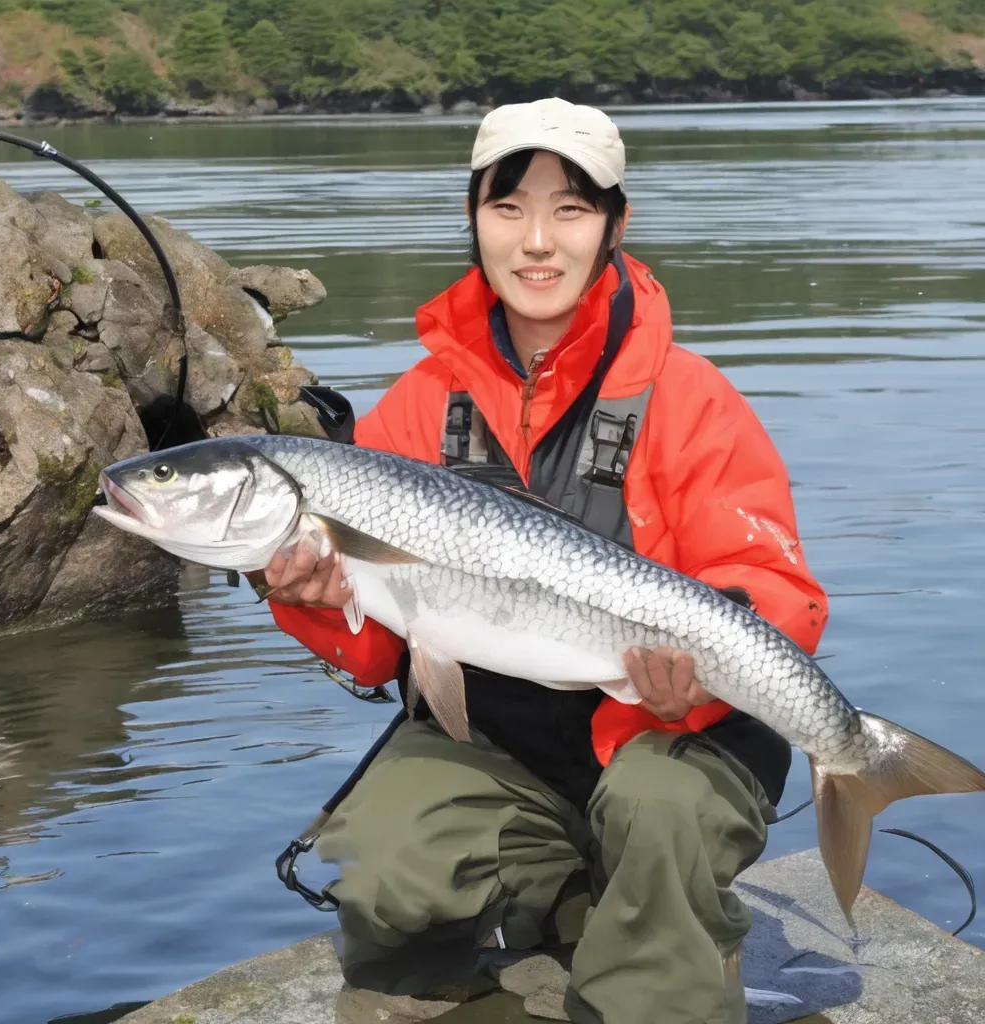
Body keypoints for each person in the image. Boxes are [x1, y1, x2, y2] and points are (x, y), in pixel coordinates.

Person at [255, 97, 829, 1024]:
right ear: (473, 217)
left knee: (658, 811)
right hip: (499, 743)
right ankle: (566, 900)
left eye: (571, 209)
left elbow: (780, 594)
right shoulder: (413, 406)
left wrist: (702, 684)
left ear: (614, 225)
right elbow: (376, 653)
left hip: (673, 736)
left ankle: (666, 952)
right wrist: (310, 596)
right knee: (389, 873)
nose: (537, 241)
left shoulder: (692, 399)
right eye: (507, 206)